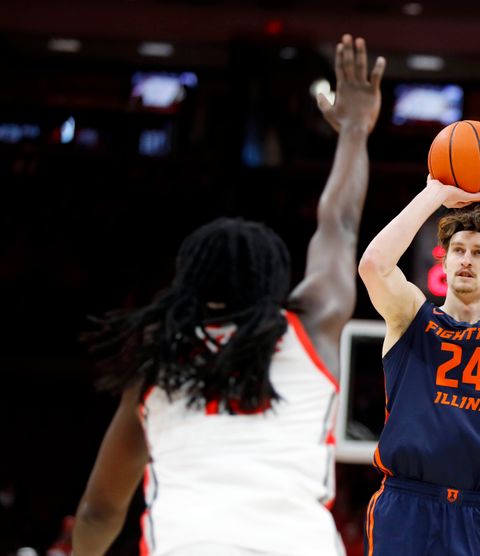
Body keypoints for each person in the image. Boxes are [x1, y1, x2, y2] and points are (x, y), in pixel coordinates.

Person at [72, 34, 385, 556]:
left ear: (185, 281)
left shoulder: (158, 362)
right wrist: (354, 130)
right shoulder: (313, 327)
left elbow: (100, 511)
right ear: (277, 281)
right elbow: (341, 225)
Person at [357, 109, 480, 555]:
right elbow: (372, 265)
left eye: (479, 252)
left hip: (475, 510)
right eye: (458, 250)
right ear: (443, 262)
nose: (465, 259)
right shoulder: (411, 316)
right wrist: (434, 193)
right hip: (405, 502)